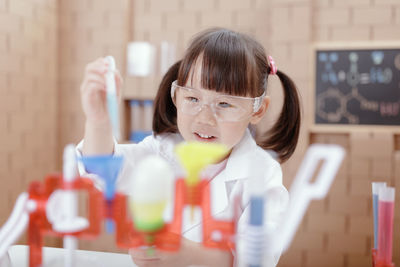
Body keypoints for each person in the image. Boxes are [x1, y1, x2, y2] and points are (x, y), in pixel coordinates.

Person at [77, 27, 301, 267]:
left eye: (224, 104)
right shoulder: (161, 151)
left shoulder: (262, 175)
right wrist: (99, 120)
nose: (205, 118)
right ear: (176, 97)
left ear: (257, 109)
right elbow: (103, 169)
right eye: (193, 99)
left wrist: (189, 255)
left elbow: (257, 259)